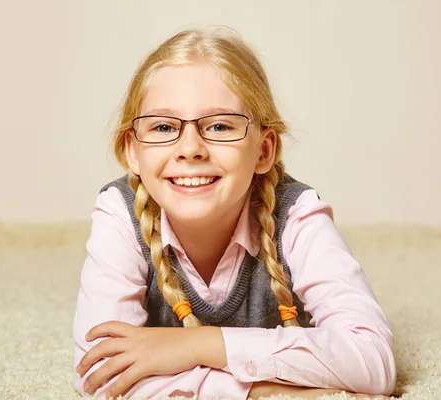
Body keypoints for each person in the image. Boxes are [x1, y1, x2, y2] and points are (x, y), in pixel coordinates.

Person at [72, 26, 396, 399]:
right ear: (132, 151)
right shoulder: (120, 211)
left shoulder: (296, 213)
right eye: (163, 126)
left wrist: (199, 345)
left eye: (220, 125)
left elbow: (374, 361)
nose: (190, 148)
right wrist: (262, 392)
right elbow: (100, 374)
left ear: (264, 150)